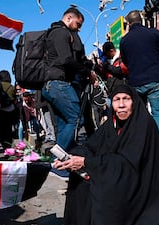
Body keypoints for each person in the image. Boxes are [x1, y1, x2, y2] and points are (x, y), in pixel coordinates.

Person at [53, 84, 159, 225]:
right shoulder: (112, 124)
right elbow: (91, 146)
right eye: (116, 99)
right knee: (80, 183)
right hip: (118, 169)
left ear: (133, 102)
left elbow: (128, 164)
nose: (121, 105)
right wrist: (70, 158)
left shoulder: (143, 124)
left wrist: (86, 163)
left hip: (138, 180)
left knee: (105, 190)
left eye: (126, 99)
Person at [41, 7, 95, 179]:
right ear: (69, 17)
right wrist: (87, 72)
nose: (79, 28)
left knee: (65, 124)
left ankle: (62, 164)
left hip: (54, 85)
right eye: (78, 24)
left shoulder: (58, 33)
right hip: (58, 84)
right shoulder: (60, 33)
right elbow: (66, 59)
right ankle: (57, 165)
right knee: (76, 119)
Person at [120, 10, 159, 135]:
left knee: (139, 114)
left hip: (135, 82)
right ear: (141, 20)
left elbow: (125, 61)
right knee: (158, 113)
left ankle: (142, 144)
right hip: (153, 78)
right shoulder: (154, 33)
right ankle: (156, 145)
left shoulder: (124, 40)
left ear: (129, 23)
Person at [0, 70, 17, 149]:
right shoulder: (11, 87)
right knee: (8, 130)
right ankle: (8, 146)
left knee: (0, 131)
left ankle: (4, 145)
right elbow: (14, 100)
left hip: (0, 111)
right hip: (10, 111)